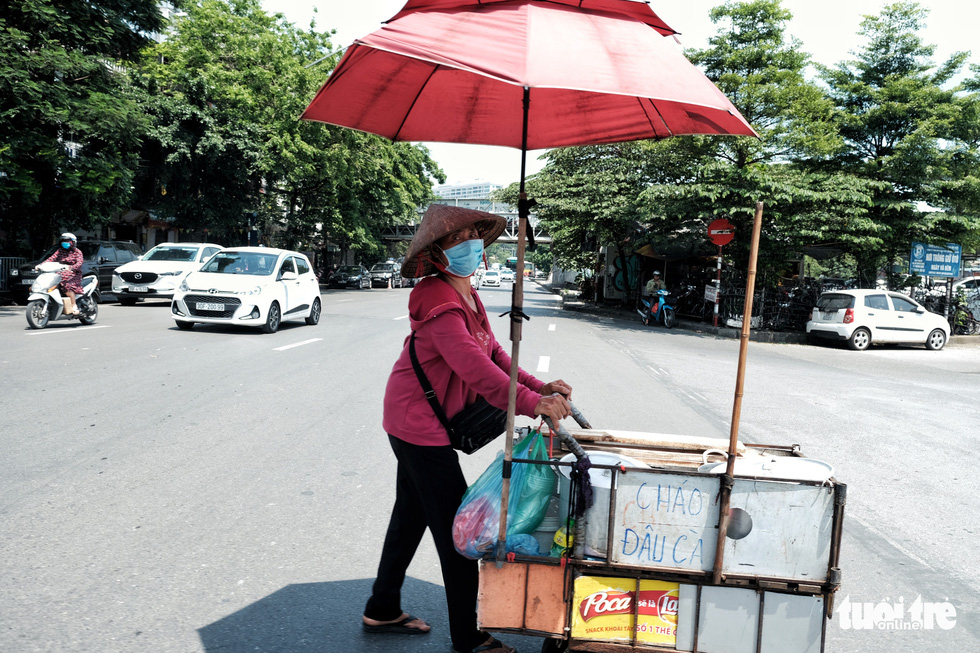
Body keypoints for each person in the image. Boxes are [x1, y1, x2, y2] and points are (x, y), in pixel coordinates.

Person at [362, 204, 573, 653]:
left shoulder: (467, 293)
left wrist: (541, 385)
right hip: (417, 425)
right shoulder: (438, 299)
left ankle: (381, 608)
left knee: (411, 516)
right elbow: (476, 370)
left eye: (475, 236)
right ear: (439, 252)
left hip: (415, 421)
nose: (471, 245)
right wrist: (535, 404)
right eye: (458, 240)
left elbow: (495, 353)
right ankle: (468, 636)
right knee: (461, 533)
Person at [42, 233, 84, 315]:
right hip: (60, 273)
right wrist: (41, 265)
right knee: (49, 285)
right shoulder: (60, 251)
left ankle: (74, 305)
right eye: (63, 241)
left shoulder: (77, 252)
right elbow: (51, 258)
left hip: (74, 274)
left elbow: (79, 263)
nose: (65, 242)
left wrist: (71, 268)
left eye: (67, 241)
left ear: (73, 242)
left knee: (67, 286)